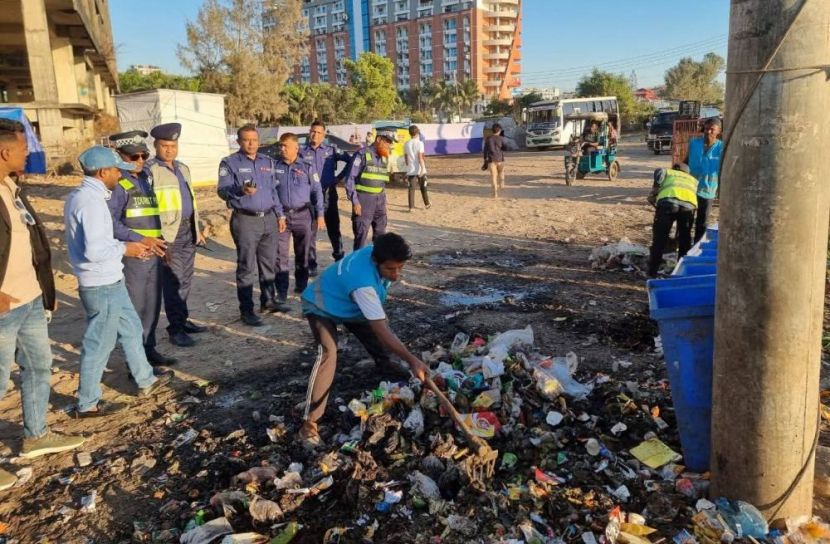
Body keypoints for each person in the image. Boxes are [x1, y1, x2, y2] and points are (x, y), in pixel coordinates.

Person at [0, 119, 84, 489]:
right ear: (4, 151)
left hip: (30, 296)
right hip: (3, 305)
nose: (28, 152)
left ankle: (36, 434)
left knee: (38, 366)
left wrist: (43, 289)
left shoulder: (12, 188)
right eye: (22, 147)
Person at [64, 146, 173, 417]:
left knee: (132, 328)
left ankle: (145, 380)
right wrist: (129, 248)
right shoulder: (89, 202)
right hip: (100, 283)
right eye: (116, 171)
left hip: (110, 279)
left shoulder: (89, 196)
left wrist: (128, 244)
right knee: (99, 343)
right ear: (103, 172)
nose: (119, 176)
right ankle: (88, 403)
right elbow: (95, 250)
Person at [298, 232, 429, 447]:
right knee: (328, 353)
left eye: (400, 268)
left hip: (348, 304)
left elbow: (379, 324)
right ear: (376, 262)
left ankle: (385, 366)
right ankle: (309, 423)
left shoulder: (377, 251)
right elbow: (382, 329)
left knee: (376, 336)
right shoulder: (362, 283)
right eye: (390, 269)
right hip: (321, 304)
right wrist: (412, 359)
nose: (396, 275)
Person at [107, 130, 175, 366]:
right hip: (133, 256)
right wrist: (138, 239)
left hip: (154, 252)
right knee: (135, 309)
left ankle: (149, 348)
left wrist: (161, 245)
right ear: (120, 156)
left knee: (153, 304)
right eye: (133, 157)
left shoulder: (145, 178)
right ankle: (135, 362)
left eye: (144, 155)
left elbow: (154, 217)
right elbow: (111, 222)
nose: (140, 161)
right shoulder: (117, 185)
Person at [218, 125, 289, 327]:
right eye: (246, 140)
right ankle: (247, 311)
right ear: (239, 142)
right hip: (245, 220)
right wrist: (240, 190)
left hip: (269, 219)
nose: (251, 144)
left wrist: (280, 215)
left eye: (254, 140)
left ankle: (268, 301)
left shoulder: (268, 162)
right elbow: (222, 191)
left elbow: (273, 192)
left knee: (268, 264)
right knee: (246, 266)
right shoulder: (229, 163)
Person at [145, 123, 208, 347]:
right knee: (173, 282)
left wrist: (197, 228)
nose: (169, 150)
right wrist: (157, 237)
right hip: (167, 234)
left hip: (187, 230)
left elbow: (191, 201)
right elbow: (148, 207)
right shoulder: (150, 170)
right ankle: (175, 329)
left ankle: (183, 319)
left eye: (173, 145)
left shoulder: (183, 168)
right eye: (165, 146)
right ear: (155, 146)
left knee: (186, 280)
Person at [274, 133, 324, 300]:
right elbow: (272, 193)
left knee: (302, 254)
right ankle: (281, 292)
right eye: (280, 145)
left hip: (304, 216)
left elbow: (317, 192)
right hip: (282, 218)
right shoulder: (274, 167)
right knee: (280, 256)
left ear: (296, 147)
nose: (282, 149)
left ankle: (301, 286)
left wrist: (320, 215)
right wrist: (279, 214)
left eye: (285, 146)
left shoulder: (307, 167)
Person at [300, 120, 353, 273]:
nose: (315, 135)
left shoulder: (331, 150)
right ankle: (311, 265)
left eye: (318, 132)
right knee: (310, 231)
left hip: (328, 193)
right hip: (309, 195)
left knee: (334, 228)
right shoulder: (302, 152)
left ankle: (339, 260)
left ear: (324, 135)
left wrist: (340, 177)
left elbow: (351, 161)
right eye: (312, 131)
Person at [345, 129, 396, 249]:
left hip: (380, 202)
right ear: (378, 139)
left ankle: (377, 264)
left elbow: (381, 181)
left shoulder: (384, 158)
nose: (389, 145)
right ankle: (358, 265)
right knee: (361, 237)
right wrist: (355, 202)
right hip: (364, 201)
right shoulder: (362, 154)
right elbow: (349, 179)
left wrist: (383, 199)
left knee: (381, 237)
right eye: (387, 142)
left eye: (390, 142)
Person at [647, 163, 699, 277]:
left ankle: (652, 271)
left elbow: (658, 171)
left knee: (659, 239)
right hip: (688, 207)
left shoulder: (669, 172)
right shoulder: (693, 179)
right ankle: (681, 272)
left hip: (668, 204)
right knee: (684, 240)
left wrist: (654, 191)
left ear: (675, 168)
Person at [686, 118, 723, 242]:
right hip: (691, 187)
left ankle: (697, 245)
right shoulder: (694, 143)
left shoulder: (722, 148)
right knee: (686, 219)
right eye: (707, 129)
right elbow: (686, 160)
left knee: (702, 221)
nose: (708, 132)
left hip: (709, 190)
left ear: (719, 131)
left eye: (712, 129)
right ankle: (684, 247)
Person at [404, 125, 431, 211]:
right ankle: (427, 204)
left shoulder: (406, 144)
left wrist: (408, 166)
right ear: (417, 132)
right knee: (423, 186)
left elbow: (406, 158)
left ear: (410, 133)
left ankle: (411, 207)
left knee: (411, 189)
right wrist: (423, 168)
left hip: (411, 169)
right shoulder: (420, 143)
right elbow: (420, 157)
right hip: (419, 169)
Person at [483, 123, 507, 198]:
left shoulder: (488, 139)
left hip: (491, 160)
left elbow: (485, 150)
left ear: (492, 130)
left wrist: (485, 160)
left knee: (493, 176)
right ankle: (501, 186)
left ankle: (495, 193)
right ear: (499, 130)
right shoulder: (501, 138)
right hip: (500, 159)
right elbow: (506, 148)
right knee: (501, 173)